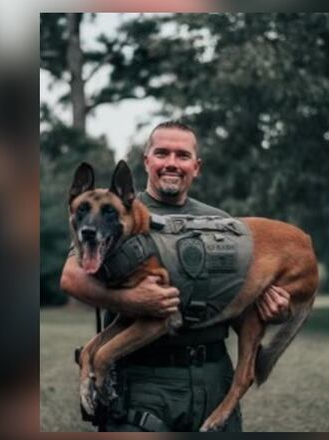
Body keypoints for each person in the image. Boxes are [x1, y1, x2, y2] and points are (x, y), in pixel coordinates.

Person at [60, 120, 292, 432]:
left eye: (182, 155)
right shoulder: (114, 211)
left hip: (212, 378)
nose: (171, 163)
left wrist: (276, 310)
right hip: (142, 382)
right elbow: (71, 277)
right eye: (162, 153)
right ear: (147, 161)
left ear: (196, 167)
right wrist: (130, 300)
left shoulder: (221, 223)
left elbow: (234, 304)